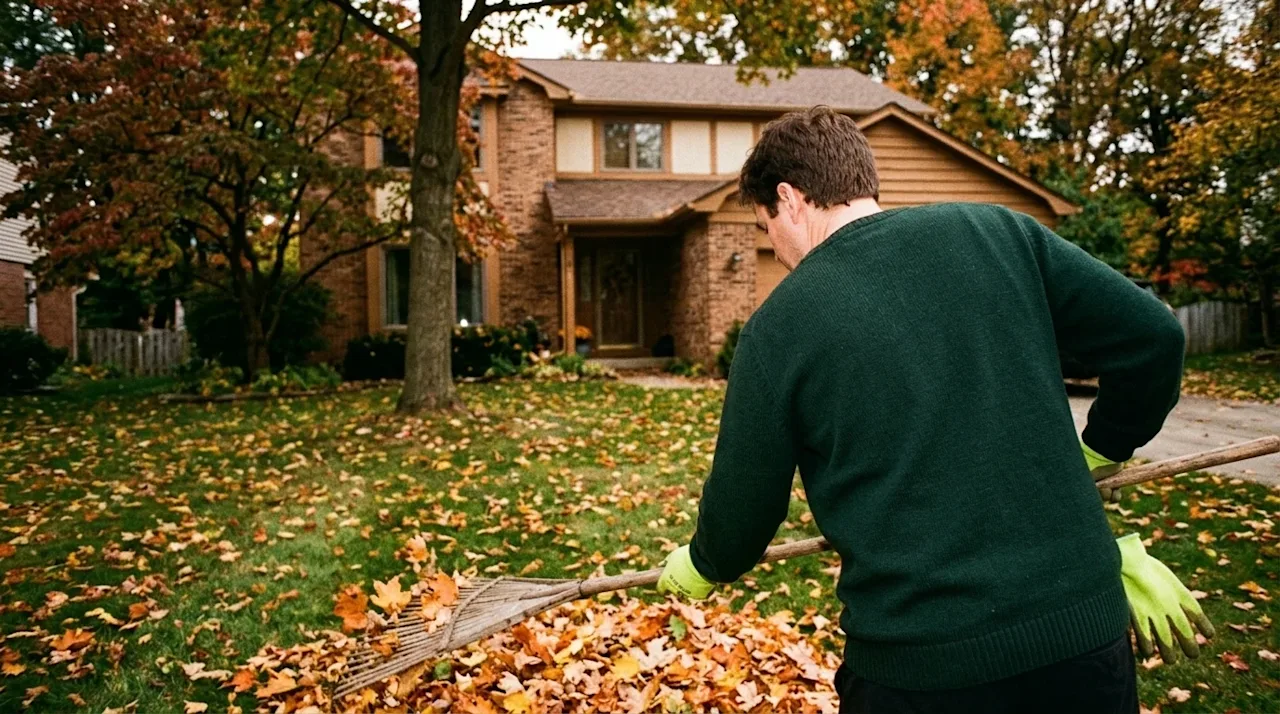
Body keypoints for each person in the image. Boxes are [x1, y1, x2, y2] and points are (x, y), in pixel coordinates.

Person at [654, 106, 1214, 714]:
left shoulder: (779, 326)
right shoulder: (1000, 234)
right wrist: (1106, 443)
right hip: (1081, 644)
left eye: (766, 228)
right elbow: (1155, 338)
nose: (778, 251)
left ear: (788, 199)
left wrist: (704, 563)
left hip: (920, 670)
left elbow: (747, 502)